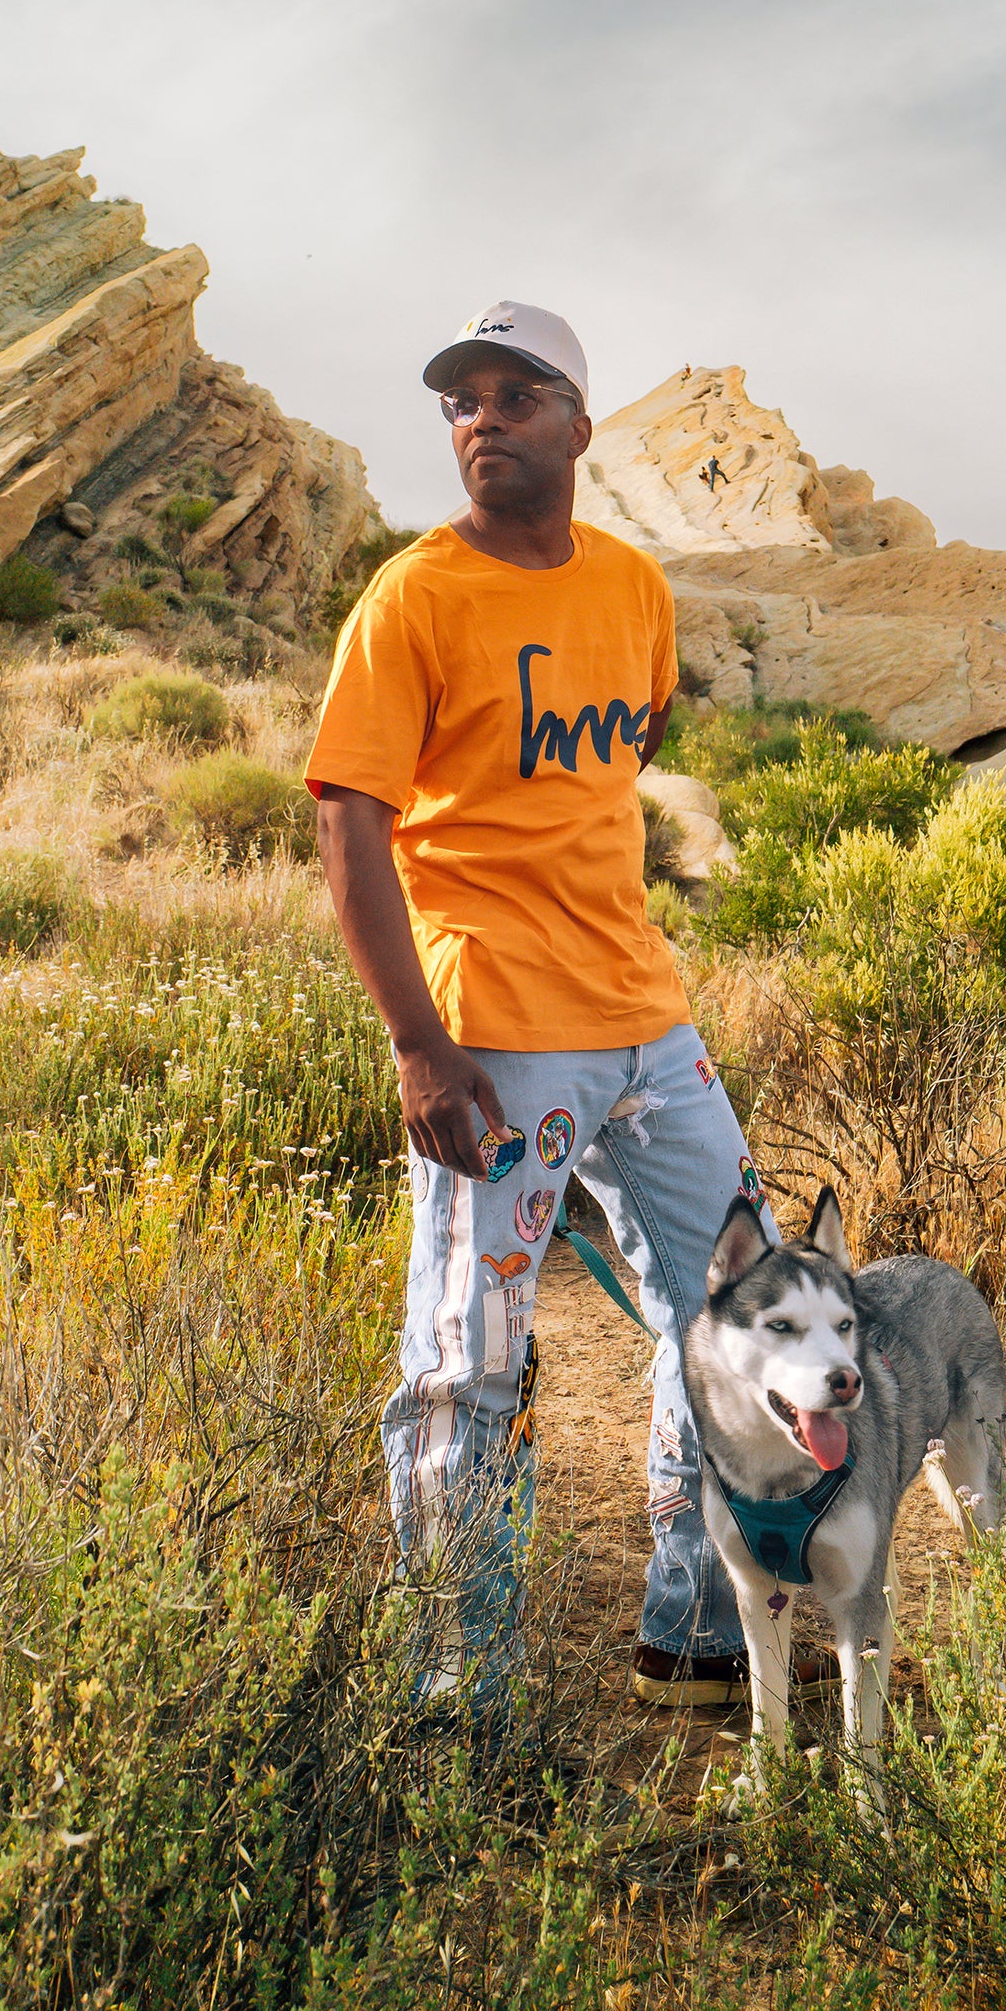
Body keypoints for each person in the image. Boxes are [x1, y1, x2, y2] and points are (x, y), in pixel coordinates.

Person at [305, 302, 787, 1709]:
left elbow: (619, 755)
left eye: (519, 395)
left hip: (649, 1020)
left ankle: (689, 1635)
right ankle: (460, 1686)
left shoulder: (631, 590)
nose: (484, 418)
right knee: (469, 1364)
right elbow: (350, 823)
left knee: (739, 1315)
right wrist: (417, 1044)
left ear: (580, 426)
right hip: (496, 1036)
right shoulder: (414, 596)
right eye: (462, 400)